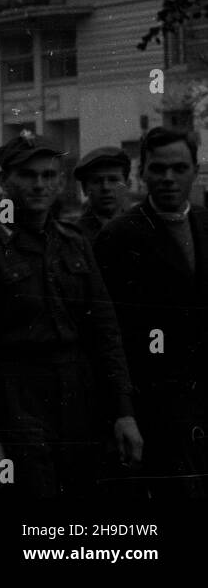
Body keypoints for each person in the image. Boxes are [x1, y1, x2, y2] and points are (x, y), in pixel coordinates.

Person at [0, 135, 142, 498]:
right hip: (17, 401)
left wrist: (123, 411)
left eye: (49, 175)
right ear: (5, 182)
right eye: (28, 175)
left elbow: (105, 332)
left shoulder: (74, 242)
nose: (39, 184)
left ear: (60, 181)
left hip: (79, 399)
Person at [93, 127, 207, 497]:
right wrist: (122, 410)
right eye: (158, 169)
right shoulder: (118, 235)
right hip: (158, 405)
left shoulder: (205, 224)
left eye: (180, 168)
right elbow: (108, 333)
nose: (169, 178)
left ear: (196, 169)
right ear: (143, 172)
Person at [74, 147, 132, 241]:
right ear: (84, 189)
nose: (106, 187)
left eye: (113, 180)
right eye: (97, 181)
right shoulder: (74, 237)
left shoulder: (143, 228)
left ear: (127, 185)